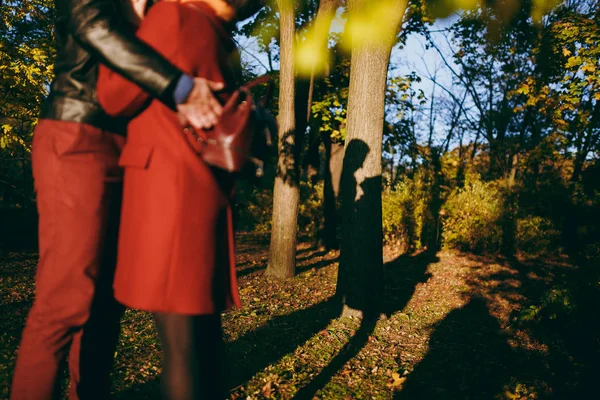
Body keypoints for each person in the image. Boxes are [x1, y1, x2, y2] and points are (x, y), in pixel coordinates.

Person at [10, 0, 227, 398]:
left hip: (126, 147)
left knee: (106, 304)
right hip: (76, 133)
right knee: (65, 298)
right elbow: (91, 26)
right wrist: (179, 86)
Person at [96, 0, 264, 398]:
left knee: (181, 345)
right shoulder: (221, 40)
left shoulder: (174, 15)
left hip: (167, 196)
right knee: (201, 338)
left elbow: (114, 95)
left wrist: (134, 24)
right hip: (201, 194)